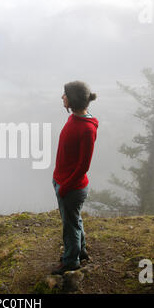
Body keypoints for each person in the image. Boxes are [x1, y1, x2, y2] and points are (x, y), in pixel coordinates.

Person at [51, 80, 99, 275]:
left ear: (72, 100)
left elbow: (83, 166)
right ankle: (81, 251)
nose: (62, 97)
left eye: (65, 94)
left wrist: (65, 187)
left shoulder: (87, 128)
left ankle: (71, 261)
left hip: (72, 187)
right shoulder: (77, 118)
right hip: (64, 182)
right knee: (74, 220)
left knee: (69, 226)